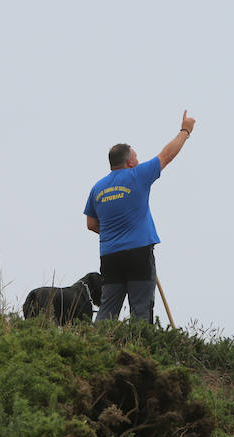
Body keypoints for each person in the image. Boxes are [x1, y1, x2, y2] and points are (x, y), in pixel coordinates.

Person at [84, 110, 196, 323]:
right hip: (138, 252)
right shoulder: (138, 176)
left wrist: (112, 230)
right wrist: (185, 131)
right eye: (135, 156)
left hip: (110, 256)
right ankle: (140, 350)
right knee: (141, 308)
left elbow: (91, 224)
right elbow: (166, 156)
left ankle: (98, 346)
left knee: (108, 308)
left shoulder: (97, 188)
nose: (138, 159)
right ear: (129, 162)